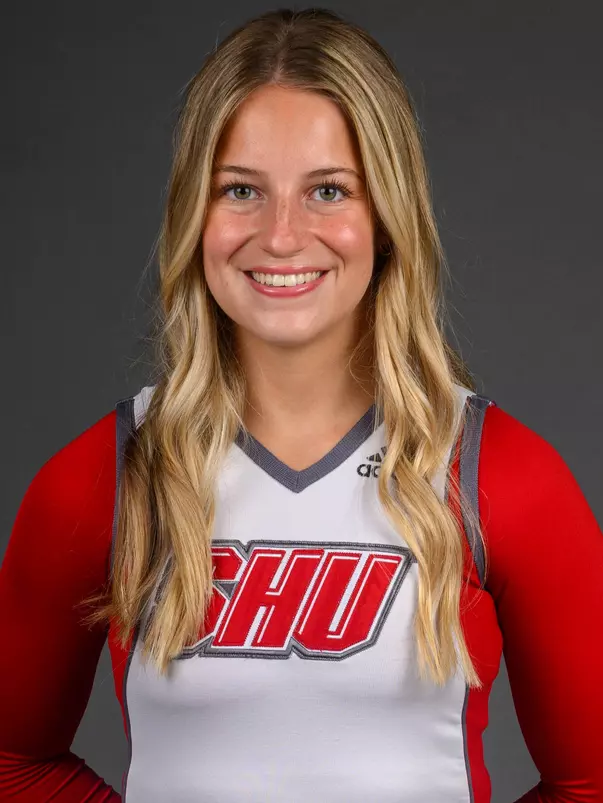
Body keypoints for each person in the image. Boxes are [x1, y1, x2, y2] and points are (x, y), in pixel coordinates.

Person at [1, 7, 602, 803]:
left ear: (384, 217)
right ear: (193, 214)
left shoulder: (500, 476)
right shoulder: (110, 477)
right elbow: (13, 762)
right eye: (240, 190)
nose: (281, 236)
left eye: (327, 190)